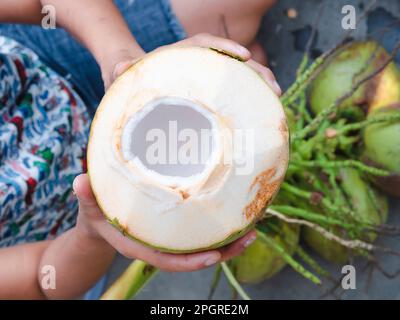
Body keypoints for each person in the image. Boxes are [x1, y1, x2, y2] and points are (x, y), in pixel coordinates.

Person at [0, 0, 281, 299]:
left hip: (49, 56)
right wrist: (92, 233)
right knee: (241, 37)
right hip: (92, 206)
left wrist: (121, 59)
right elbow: (43, 280)